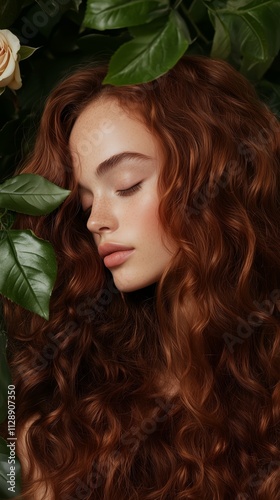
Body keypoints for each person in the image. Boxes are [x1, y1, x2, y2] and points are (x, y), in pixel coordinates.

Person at [2, 55, 280, 499]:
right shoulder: (65, 422)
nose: (96, 221)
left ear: (208, 177)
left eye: (128, 184)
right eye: (85, 202)